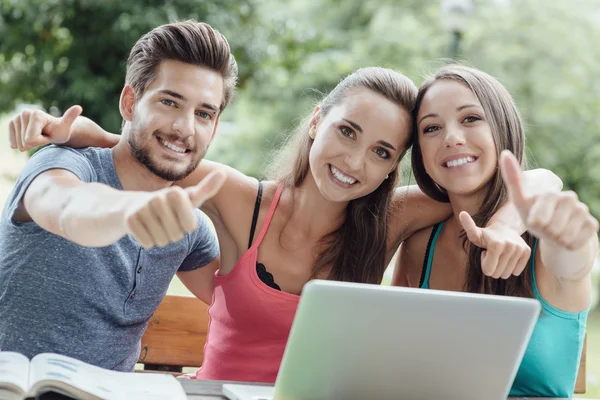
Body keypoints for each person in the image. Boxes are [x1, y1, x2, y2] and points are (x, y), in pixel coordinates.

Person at [10, 66, 556, 382]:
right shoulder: (236, 197)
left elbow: (540, 181)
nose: (355, 164)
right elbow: (157, 151)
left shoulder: (392, 217)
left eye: (382, 152)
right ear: (318, 120)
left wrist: (508, 221)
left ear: (395, 165)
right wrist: (83, 134)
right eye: (347, 133)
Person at [0, 20, 238, 371]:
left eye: (204, 113)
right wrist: (132, 209)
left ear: (214, 126)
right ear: (130, 103)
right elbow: (69, 208)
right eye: (170, 102)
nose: (185, 128)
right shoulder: (62, 163)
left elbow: (239, 306)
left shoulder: (187, 227)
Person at [392, 64, 599, 397]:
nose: (452, 138)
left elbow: (571, 260)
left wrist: (572, 241)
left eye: (471, 118)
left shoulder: (545, 238)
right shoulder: (420, 242)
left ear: (503, 127)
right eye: (431, 128)